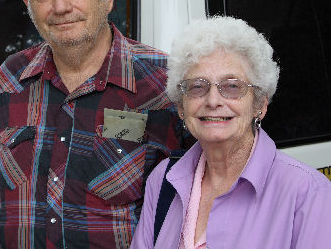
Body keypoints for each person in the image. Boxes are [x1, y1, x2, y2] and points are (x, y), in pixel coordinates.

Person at [0, 0, 190, 248]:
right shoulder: (10, 80)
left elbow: (202, 205)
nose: (60, 6)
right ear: (28, 3)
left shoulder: (165, 84)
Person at [131, 16, 331, 249]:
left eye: (232, 86)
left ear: (260, 105)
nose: (213, 100)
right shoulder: (164, 181)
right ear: (181, 107)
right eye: (197, 86)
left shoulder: (308, 193)